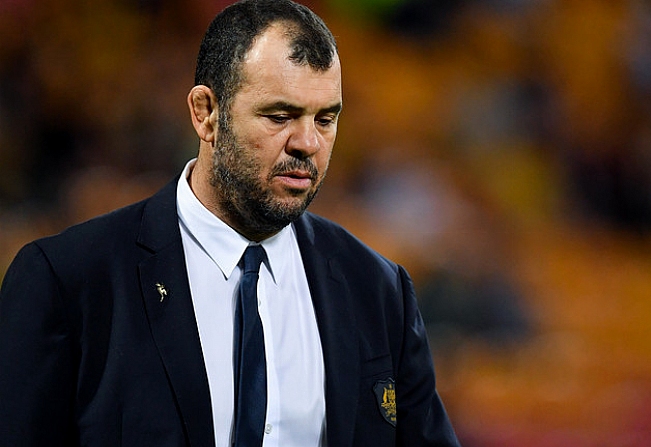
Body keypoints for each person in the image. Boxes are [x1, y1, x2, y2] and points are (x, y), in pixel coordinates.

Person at [0, 1, 461, 446]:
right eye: (279, 116)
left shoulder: (378, 290)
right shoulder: (69, 281)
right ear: (206, 113)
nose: (307, 142)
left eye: (325, 119)